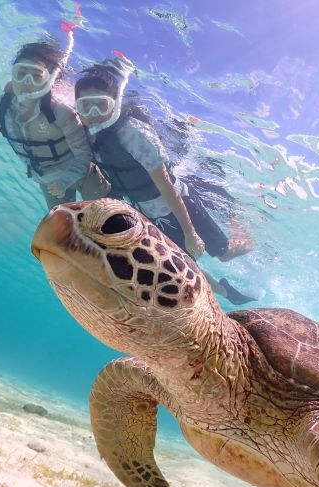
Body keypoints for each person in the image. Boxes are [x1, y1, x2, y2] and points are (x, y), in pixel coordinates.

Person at [74, 57, 255, 305]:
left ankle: (245, 232)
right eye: (86, 107)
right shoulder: (89, 134)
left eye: (101, 106)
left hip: (179, 204)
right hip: (146, 210)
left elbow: (166, 187)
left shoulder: (134, 134)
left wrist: (190, 232)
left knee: (223, 255)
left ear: (114, 104)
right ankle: (226, 293)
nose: (94, 114)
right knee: (176, 263)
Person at [0, 33, 107, 209]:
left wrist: (65, 181)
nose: (27, 82)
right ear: (12, 75)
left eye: (37, 75)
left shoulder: (61, 111)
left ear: (48, 80)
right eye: (21, 73)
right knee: (64, 233)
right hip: (47, 180)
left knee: (107, 222)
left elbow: (84, 155)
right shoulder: (3, 105)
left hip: (84, 175)